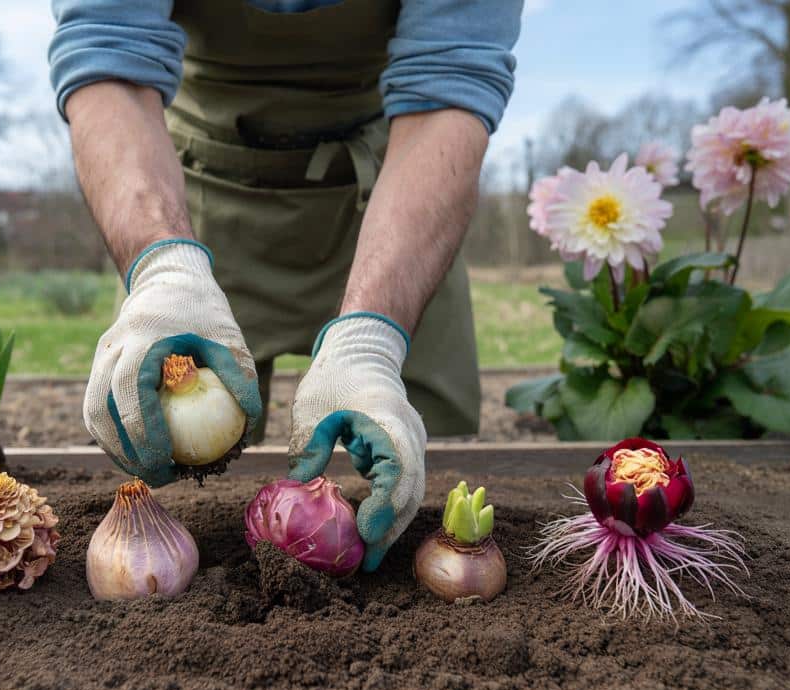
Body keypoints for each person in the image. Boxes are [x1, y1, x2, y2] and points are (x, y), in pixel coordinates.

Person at [49, 0, 522, 571]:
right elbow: (109, 57)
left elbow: (448, 89)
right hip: (193, 196)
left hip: (398, 193)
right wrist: (165, 266)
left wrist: (371, 340)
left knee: (425, 471)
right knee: (162, 444)